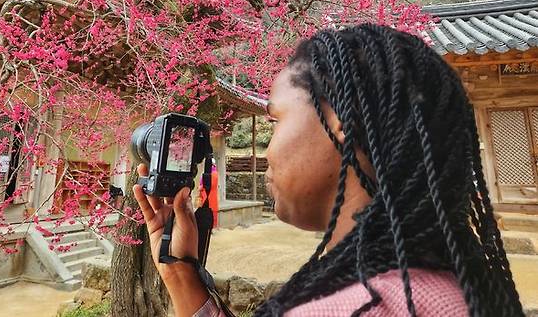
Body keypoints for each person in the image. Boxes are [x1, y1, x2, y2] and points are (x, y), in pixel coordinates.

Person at [133, 24, 524, 317]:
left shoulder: (357, 307)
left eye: (275, 122)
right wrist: (180, 271)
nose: (267, 151)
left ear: (341, 120)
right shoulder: (445, 289)